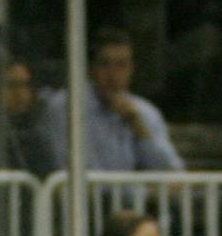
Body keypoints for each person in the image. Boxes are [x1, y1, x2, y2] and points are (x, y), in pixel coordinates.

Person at [35, 29, 185, 173]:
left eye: (121, 65)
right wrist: (142, 191)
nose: (113, 75)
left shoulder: (143, 111)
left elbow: (172, 173)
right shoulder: (65, 107)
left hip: (131, 198)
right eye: (105, 64)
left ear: (131, 69)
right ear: (91, 69)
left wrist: (139, 127)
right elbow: (73, 174)